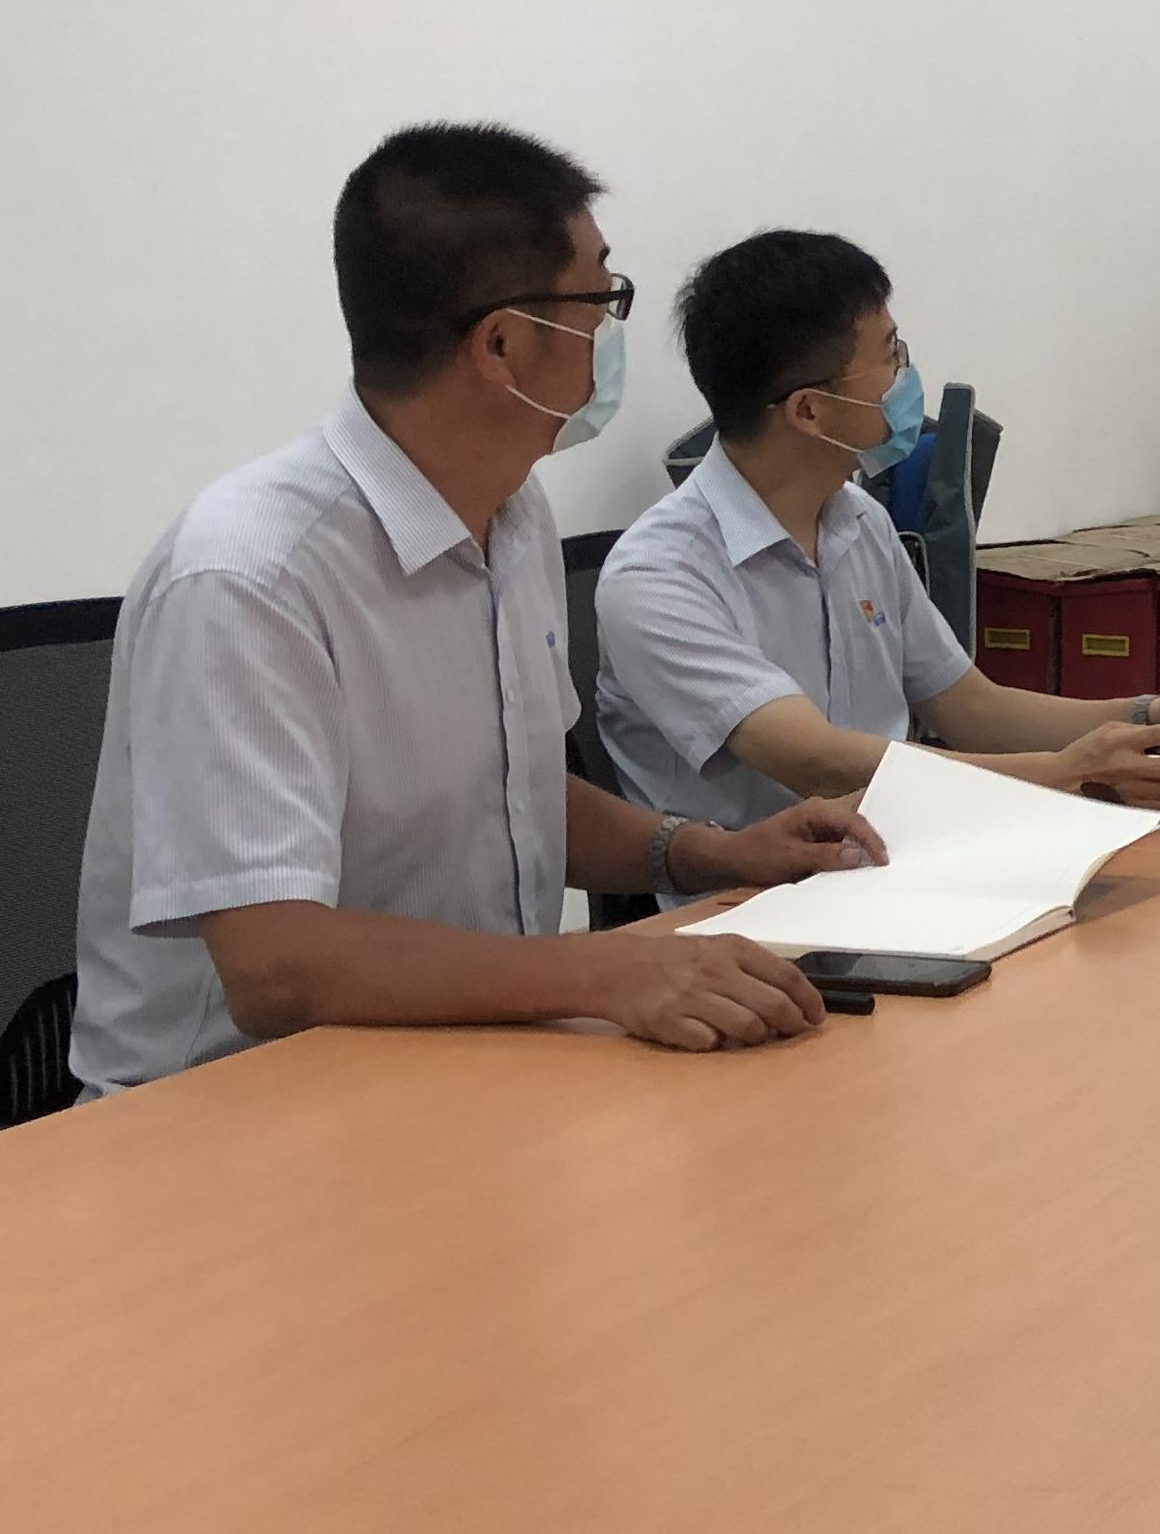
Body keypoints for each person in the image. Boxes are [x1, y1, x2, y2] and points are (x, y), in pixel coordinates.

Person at [73, 126, 887, 1093]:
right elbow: (276, 966)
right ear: (501, 345)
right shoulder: (249, 577)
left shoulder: (511, 513)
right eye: (600, 302)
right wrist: (606, 971)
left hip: (467, 1055)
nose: (611, 333)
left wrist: (714, 853)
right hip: (225, 1110)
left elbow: (517, 793)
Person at [593, 231, 1160, 829]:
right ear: (809, 411)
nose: (905, 376)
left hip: (905, 856)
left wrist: (1154, 715)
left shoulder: (858, 520)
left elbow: (970, 708)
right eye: (890, 355)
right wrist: (1062, 775)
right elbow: (817, 762)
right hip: (752, 905)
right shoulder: (659, 576)